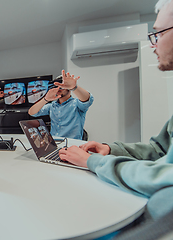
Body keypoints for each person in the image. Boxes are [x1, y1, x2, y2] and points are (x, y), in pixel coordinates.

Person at [58, 0, 173, 233]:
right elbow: (160, 150)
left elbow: (87, 99)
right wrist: (110, 150)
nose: (153, 44)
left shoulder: (74, 101)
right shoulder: (52, 107)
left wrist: (94, 162)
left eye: (158, 33)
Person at [28, 69, 94, 140]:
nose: (59, 89)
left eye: (62, 87)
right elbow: (32, 112)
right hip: (54, 143)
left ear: (68, 88)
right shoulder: (52, 105)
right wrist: (45, 99)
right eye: (57, 86)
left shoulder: (76, 104)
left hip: (72, 144)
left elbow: (87, 99)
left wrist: (74, 88)